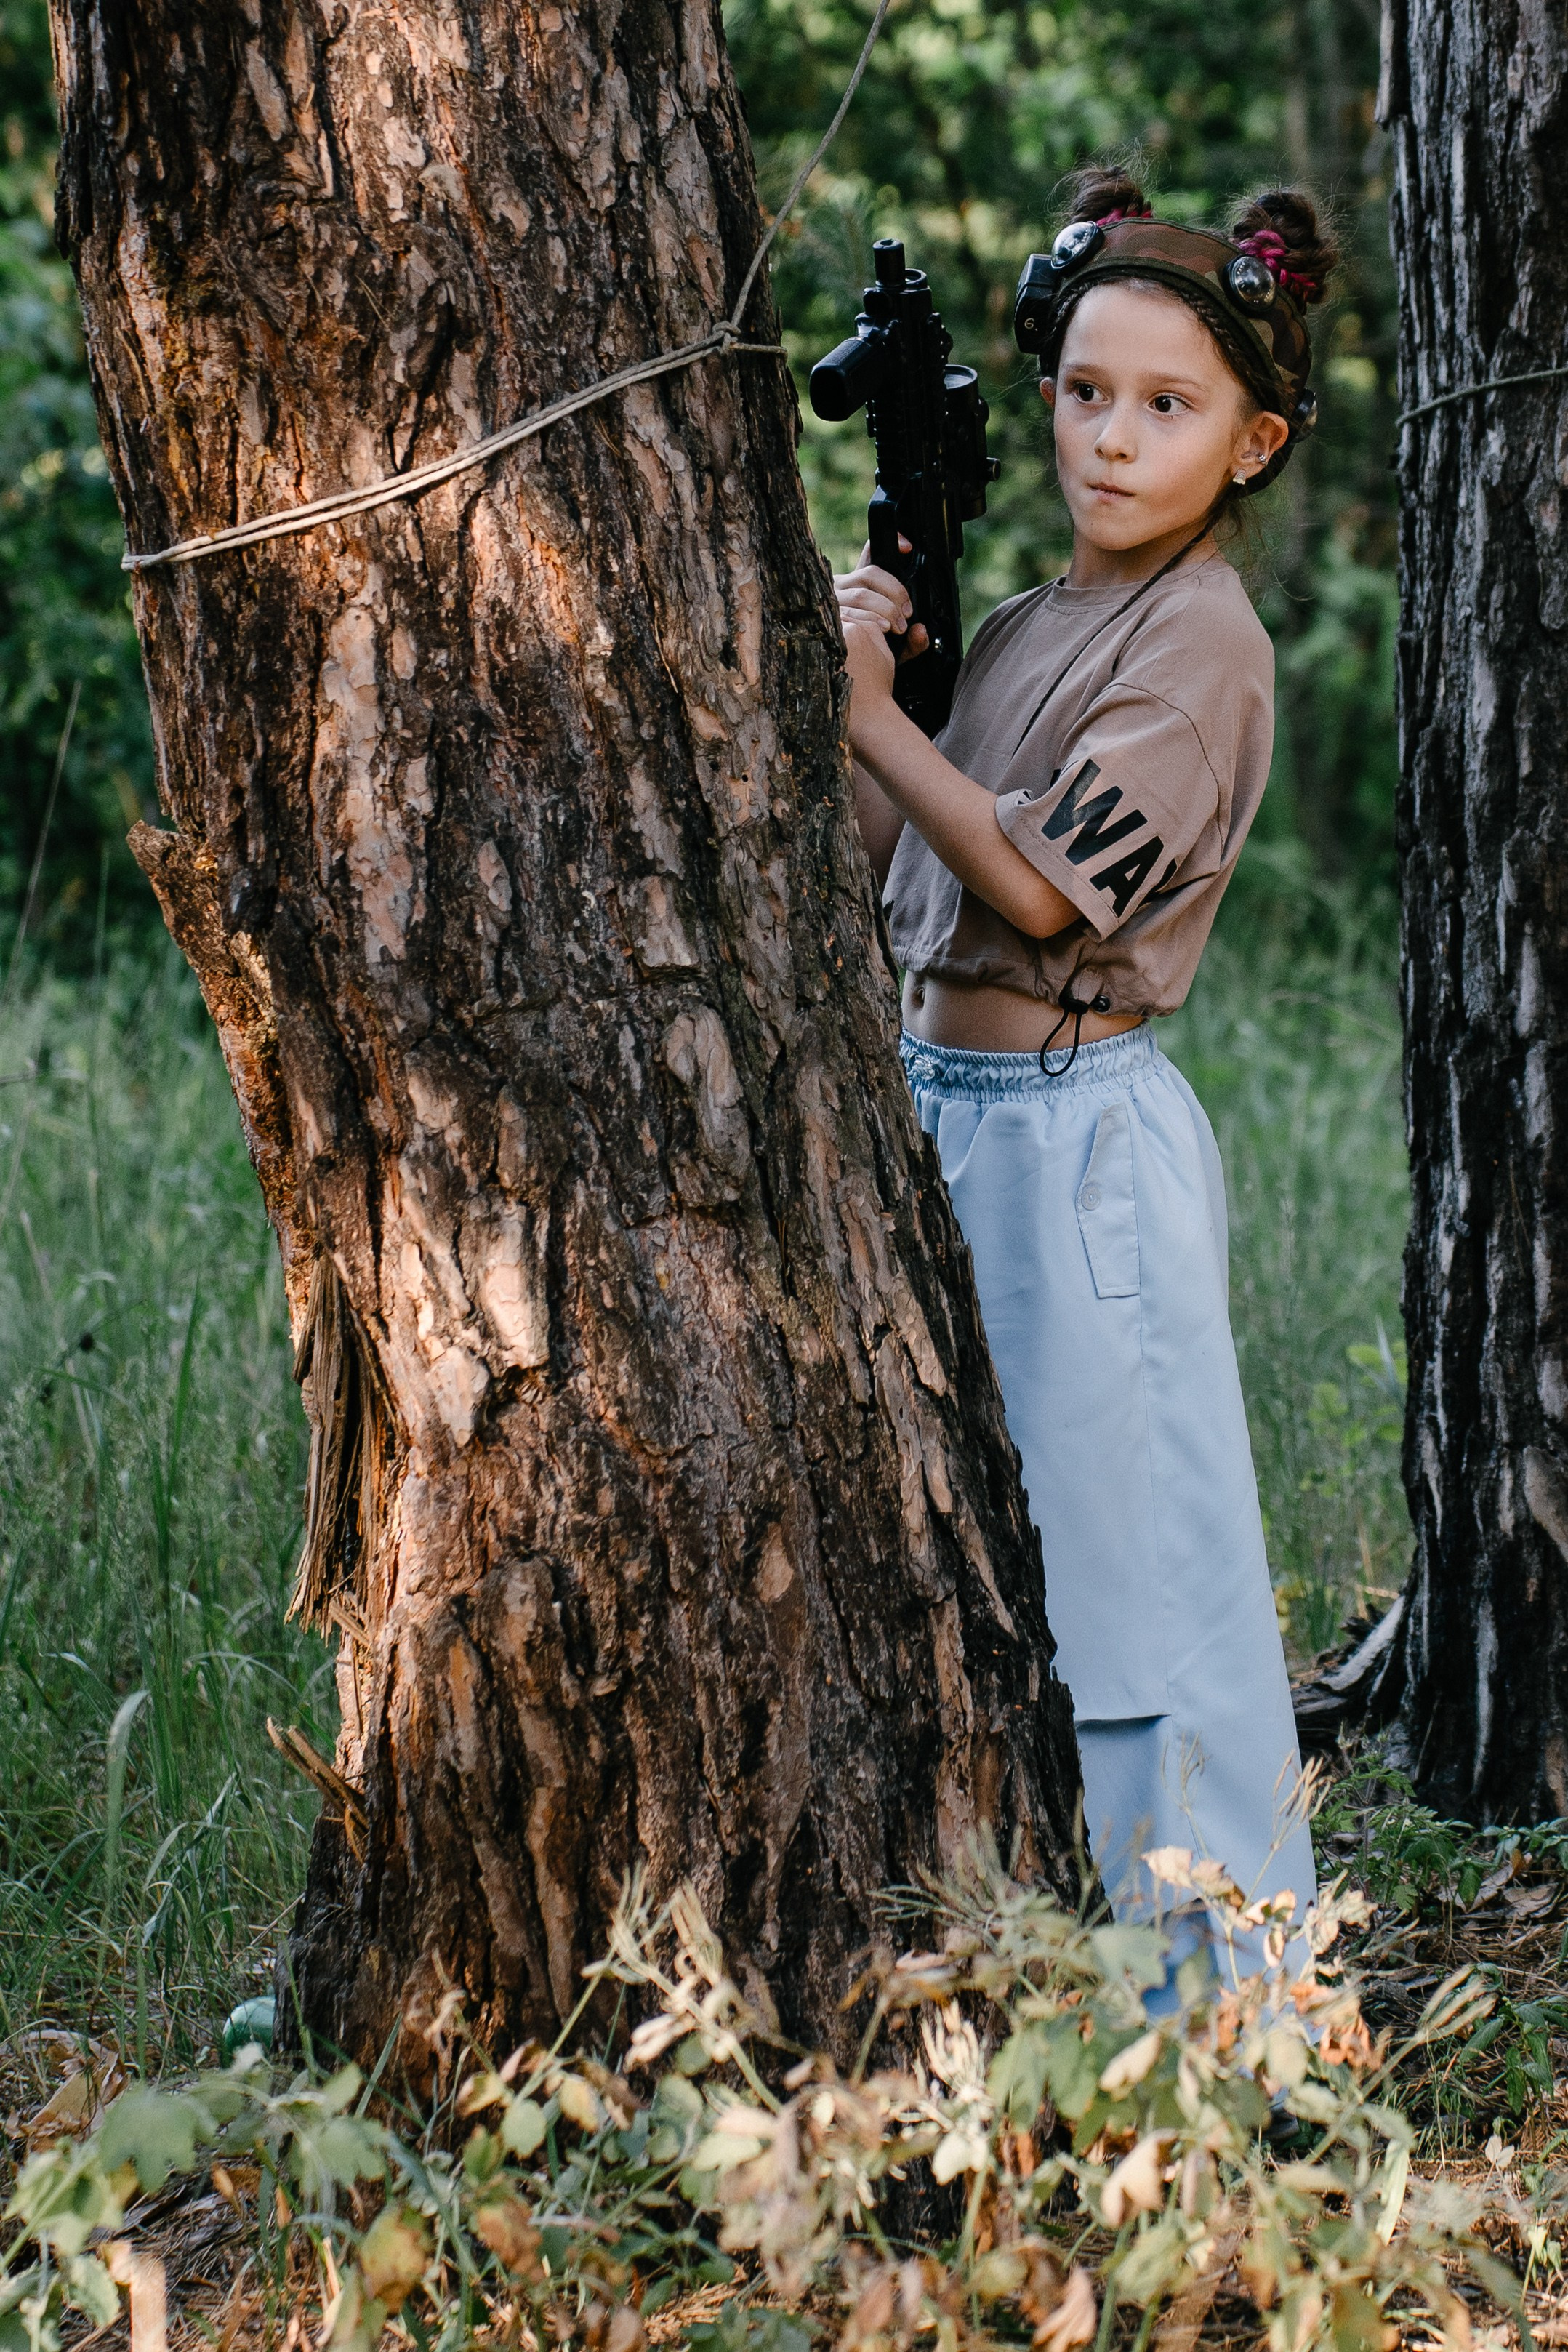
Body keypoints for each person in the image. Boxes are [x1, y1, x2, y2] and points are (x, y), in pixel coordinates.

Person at [835, 166, 1336, 1981]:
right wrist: (879, 668)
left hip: (1077, 1139)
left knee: (1131, 1579)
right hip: (942, 1114)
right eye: (1083, 393)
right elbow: (892, 848)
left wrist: (873, 717)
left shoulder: (1204, 644)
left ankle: (1220, 2002)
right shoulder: (1040, 621)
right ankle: (1041, 1966)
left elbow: (1041, 885)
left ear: (1252, 441)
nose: (1109, 439)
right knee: (980, 1561)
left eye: (1167, 406)